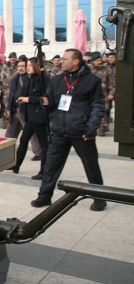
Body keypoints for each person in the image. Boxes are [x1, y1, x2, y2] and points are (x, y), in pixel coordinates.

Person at [32, 49, 107, 211]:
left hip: (82, 131)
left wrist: (91, 128)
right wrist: (45, 103)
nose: (62, 61)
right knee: (51, 166)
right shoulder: (57, 80)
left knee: (91, 165)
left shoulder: (91, 81)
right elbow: (51, 104)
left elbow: (98, 105)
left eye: (66, 59)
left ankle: (99, 198)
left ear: (76, 61)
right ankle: (44, 196)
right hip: (59, 130)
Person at [9, 57, 49, 176]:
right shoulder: (28, 78)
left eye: (30, 66)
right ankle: (16, 165)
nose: (28, 68)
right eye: (27, 66)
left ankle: (44, 171)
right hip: (30, 116)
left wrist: (28, 99)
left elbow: (45, 98)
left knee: (44, 145)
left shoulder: (42, 79)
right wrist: (22, 99)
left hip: (39, 117)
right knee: (23, 140)